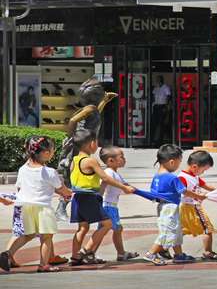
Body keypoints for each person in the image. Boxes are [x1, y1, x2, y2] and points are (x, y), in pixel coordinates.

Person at [0, 136, 72, 272]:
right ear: (46, 154)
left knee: (28, 234)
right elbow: (61, 187)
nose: (53, 153)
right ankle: (44, 264)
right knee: (47, 237)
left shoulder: (23, 169)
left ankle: (8, 254)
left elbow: (20, 188)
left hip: (26, 207)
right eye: (52, 150)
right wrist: (68, 193)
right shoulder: (50, 172)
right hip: (43, 208)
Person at [69, 130, 135, 266]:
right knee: (107, 224)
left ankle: (75, 256)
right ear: (92, 144)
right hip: (88, 197)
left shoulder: (74, 161)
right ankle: (87, 250)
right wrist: (124, 188)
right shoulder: (91, 161)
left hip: (77, 197)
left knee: (82, 229)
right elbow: (105, 177)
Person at [56, 79, 117, 221]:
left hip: (83, 146)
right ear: (96, 95)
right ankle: (61, 209)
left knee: (78, 178)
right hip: (79, 147)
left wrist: (105, 102)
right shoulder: (89, 109)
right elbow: (73, 121)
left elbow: (95, 113)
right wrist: (71, 138)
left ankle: (72, 208)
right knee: (72, 179)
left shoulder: (92, 109)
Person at [143, 144, 206, 265]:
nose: (179, 165)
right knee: (168, 232)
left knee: (176, 231)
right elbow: (184, 191)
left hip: (162, 207)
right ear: (172, 162)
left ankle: (179, 255)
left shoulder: (157, 176)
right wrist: (200, 196)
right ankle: (151, 253)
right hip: (170, 208)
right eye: (179, 162)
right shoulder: (172, 177)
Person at [98, 146, 139, 261]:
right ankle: (90, 251)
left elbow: (128, 186)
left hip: (112, 206)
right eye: (122, 157)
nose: (124, 159)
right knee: (104, 230)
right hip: (107, 206)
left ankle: (121, 253)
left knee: (117, 229)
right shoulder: (108, 173)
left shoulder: (115, 174)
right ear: (111, 160)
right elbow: (103, 184)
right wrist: (98, 201)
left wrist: (146, 194)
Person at [177, 150, 217, 261]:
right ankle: (208, 252)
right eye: (204, 170)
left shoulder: (193, 175)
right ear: (195, 166)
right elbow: (184, 191)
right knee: (208, 229)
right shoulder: (182, 177)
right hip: (192, 206)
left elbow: (206, 185)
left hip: (187, 207)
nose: (203, 172)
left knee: (182, 231)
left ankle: (164, 247)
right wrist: (198, 196)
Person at [152, 75, 171, 146]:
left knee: (162, 123)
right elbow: (154, 96)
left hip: (162, 106)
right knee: (154, 123)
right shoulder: (156, 88)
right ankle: (154, 138)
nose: (158, 81)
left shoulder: (166, 88)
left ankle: (161, 139)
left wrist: (165, 107)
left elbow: (167, 97)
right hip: (156, 106)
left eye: (159, 79)